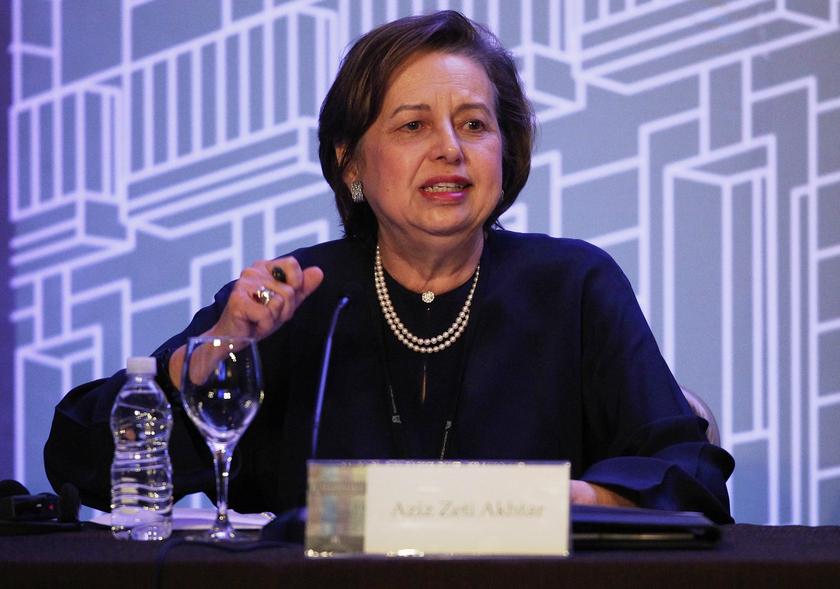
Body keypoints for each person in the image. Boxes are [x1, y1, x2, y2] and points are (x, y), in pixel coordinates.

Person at [44, 11, 734, 524]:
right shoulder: (288, 298)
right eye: (412, 126)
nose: (450, 151)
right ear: (349, 161)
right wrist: (213, 352)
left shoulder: (574, 286)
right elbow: (78, 462)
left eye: (474, 125)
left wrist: (560, 503)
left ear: (507, 151)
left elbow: (689, 470)